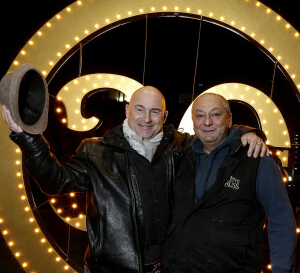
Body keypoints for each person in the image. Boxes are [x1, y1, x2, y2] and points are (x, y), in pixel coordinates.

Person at [1, 86, 267, 273]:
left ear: (164, 116)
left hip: (167, 267)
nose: (147, 119)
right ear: (127, 110)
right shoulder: (96, 150)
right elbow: (55, 182)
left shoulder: (179, 147)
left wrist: (247, 133)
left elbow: (214, 132)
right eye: (140, 109)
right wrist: (28, 138)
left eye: (155, 112)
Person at [162, 93, 296, 273]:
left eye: (215, 114)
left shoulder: (256, 158)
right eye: (200, 115)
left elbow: (281, 218)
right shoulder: (178, 155)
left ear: (229, 118)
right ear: (193, 120)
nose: (207, 122)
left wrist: (281, 270)